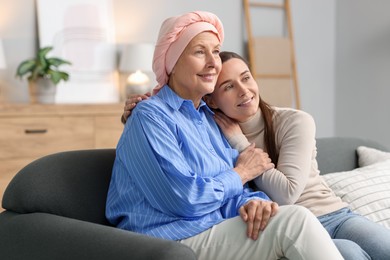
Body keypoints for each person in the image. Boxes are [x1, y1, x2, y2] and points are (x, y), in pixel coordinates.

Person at [107, 11, 344, 260]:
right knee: (294, 222)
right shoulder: (150, 116)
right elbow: (185, 199)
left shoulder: (210, 119)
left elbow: (235, 188)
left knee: (294, 226)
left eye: (216, 51)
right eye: (200, 52)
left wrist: (255, 202)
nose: (213, 63)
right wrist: (241, 173)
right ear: (172, 63)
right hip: (169, 237)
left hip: (214, 227)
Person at [123, 50, 390, 260]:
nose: (244, 91)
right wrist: (139, 110)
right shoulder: (209, 131)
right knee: (352, 255)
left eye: (246, 77)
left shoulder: (294, 121)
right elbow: (171, 129)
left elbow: (288, 192)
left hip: (332, 215)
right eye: (228, 86)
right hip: (288, 228)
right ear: (212, 100)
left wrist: (240, 145)